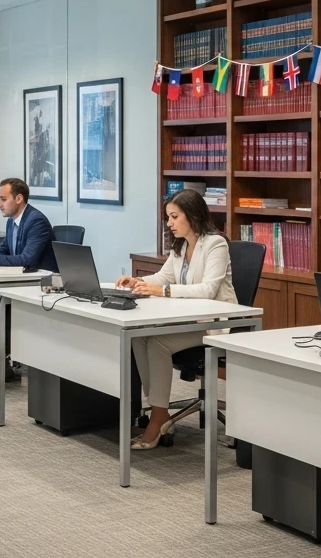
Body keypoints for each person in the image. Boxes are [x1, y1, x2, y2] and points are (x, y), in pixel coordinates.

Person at [114, 188, 236, 450]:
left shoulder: (216, 244)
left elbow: (207, 290)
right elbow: (163, 277)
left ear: (191, 215)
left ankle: (158, 417)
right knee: (139, 336)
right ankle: (160, 409)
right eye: (168, 217)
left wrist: (164, 291)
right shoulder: (180, 246)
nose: (169, 223)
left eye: (174, 217)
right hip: (190, 321)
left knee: (158, 342)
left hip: (216, 323)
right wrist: (138, 281)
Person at [0, 177, 58, 272]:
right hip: (23, 276)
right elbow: (3, 250)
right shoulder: (11, 221)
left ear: (18, 199)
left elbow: (27, 260)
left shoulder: (36, 221)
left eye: (3, 199)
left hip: (42, 280)